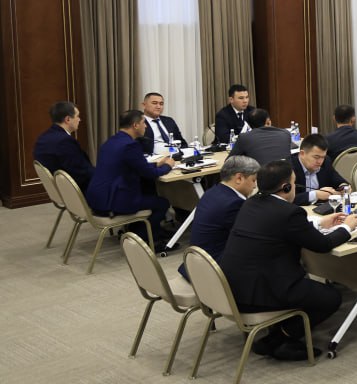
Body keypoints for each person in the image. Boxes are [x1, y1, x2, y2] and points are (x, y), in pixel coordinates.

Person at [218, 159, 357, 361]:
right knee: (331, 298)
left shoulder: (251, 203)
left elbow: (281, 228)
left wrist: (320, 223)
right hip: (263, 292)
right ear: (285, 187)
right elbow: (322, 245)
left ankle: (279, 333)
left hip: (234, 287)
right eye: (294, 183)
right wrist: (347, 227)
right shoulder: (289, 212)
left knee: (309, 285)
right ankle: (279, 338)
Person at [86, 110, 175, 246]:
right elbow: (150, 173)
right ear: (135, 125)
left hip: (99, 197)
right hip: (113, 201)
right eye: (143, 123)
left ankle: (152, 231)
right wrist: (168, 166)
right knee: (162, 203)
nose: (146, 126)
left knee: (148, 192)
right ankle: (143, 238)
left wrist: (157, 164)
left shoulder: (111, 141)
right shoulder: (130, 145)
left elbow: (133, 165)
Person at [177, 155, 259, 280]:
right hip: (213, 271)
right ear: (239, 178)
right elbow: (251, 237)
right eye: (253, 180)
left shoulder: (212, 192)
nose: (254, 186)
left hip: (195, 263)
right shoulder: (233, 204)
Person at [34, 101, 93, 191]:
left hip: (60, 190)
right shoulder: (64, 141)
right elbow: (82, 173)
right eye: (77, 116)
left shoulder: (43, 138)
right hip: (76, 190)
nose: (79, 120)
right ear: (68, 119)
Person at [288, 134, 344, 205]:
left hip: (321, 208)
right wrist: (315, 195)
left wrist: (343, 186)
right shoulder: (289, 168)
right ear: (302, 154)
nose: (320, 161)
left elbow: (337, 179)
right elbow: (286, 199)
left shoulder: (326, 161)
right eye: (316, 157)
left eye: (323, 157)